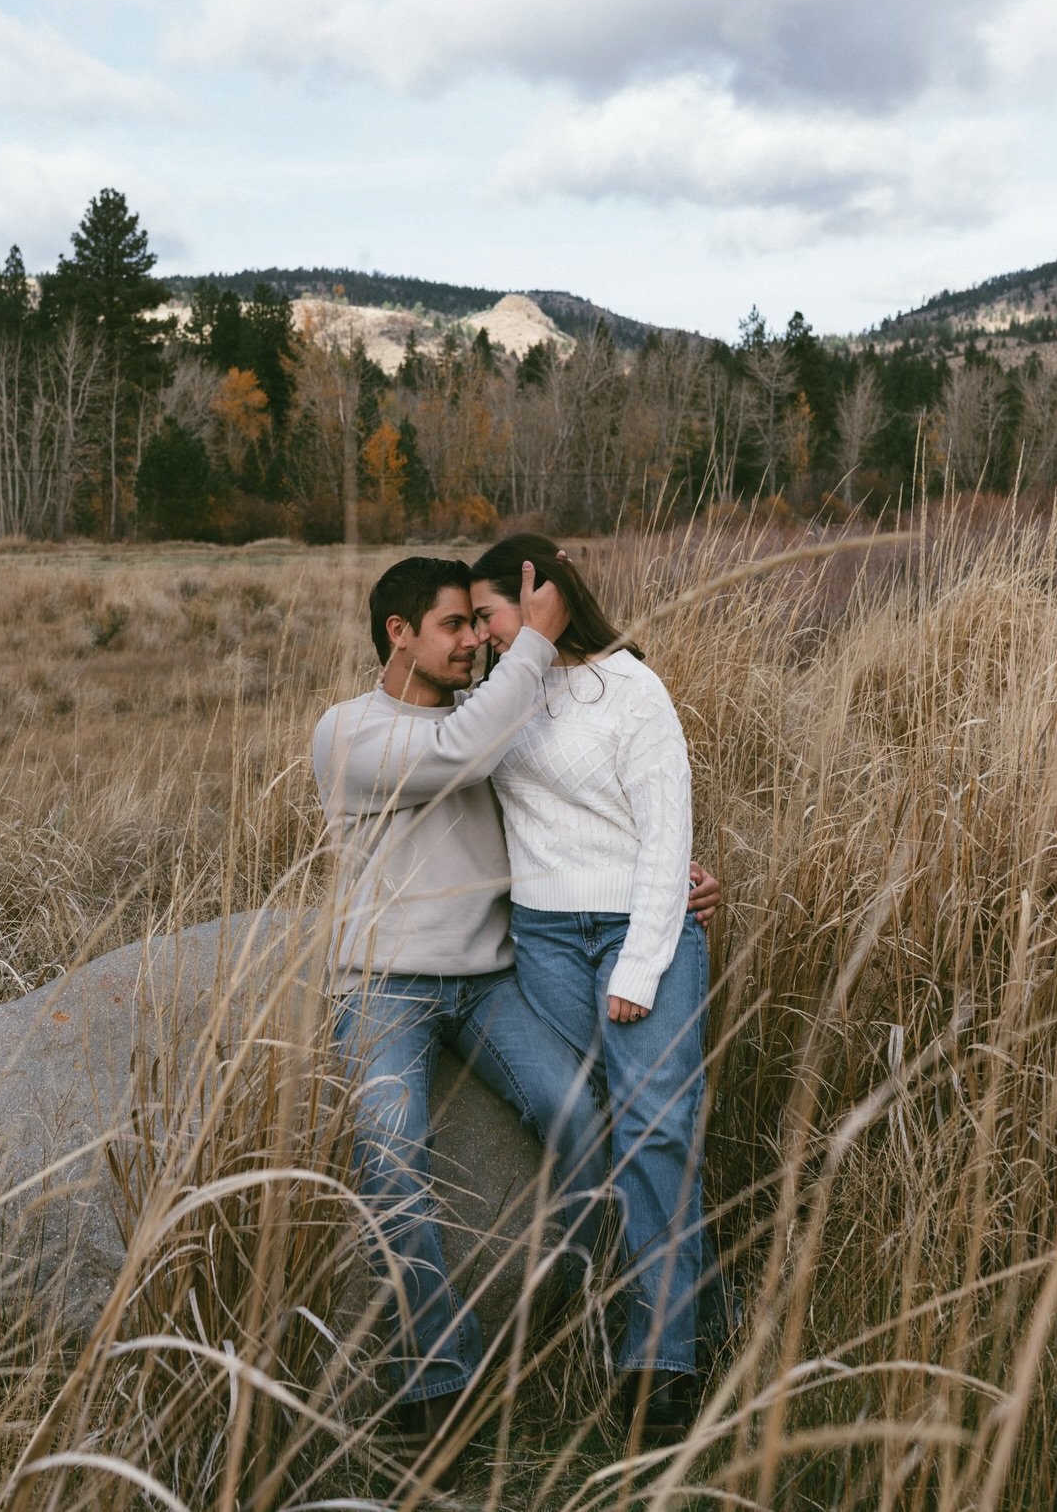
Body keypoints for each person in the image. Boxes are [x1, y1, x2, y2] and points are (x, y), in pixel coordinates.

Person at [312, 555, 719, 1464]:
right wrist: (536, 634)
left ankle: (624, 1320)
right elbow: (462, 756)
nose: (475, 641)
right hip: (381, 983)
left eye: (479, 623)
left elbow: (570, 806)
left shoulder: (486, 715)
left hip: (491, 983)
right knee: (387, 1154)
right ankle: (438, 1379)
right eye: (455, 625)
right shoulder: (348, 730)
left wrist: (667, 883)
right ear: (398, 632)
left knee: (583, 1116)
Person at [467, 534, 713, 1446]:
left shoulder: (631, 688)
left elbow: (665, 833)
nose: (485, 636)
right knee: (633, 1127)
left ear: (543, 593)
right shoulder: (498, 695)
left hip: (630, 932)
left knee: (657, 1127)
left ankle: (658, 1366)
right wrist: (514, 657)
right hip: (544, 940)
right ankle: (702, 1320)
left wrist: (642, 965)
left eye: (492, 614)